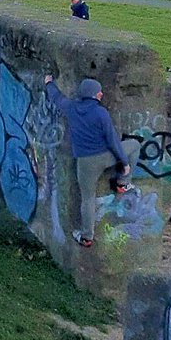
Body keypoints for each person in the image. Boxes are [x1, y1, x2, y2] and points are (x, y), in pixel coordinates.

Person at [42, 74, 131, 249]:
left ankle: (86, 237)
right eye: (99, 93)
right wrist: (125, 163)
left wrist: (49, 83)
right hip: (105, 157)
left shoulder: (71, 108)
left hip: (85, 162)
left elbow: (57, 98)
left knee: (87, 199)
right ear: (95, 95)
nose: (101, 95)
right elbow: (113, 140)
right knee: (134, 145)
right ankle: (122, 183)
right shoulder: (101, 113)